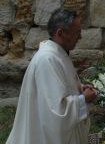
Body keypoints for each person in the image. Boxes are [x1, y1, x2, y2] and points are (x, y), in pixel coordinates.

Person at [6, 9, 97, 144]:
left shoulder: (58, 54)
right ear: (60, 33)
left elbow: (58, 89)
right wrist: (83, 99)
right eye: (77, 32)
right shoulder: (47, 60)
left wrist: (80, 89)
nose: (80, 37)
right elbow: (56, 112)